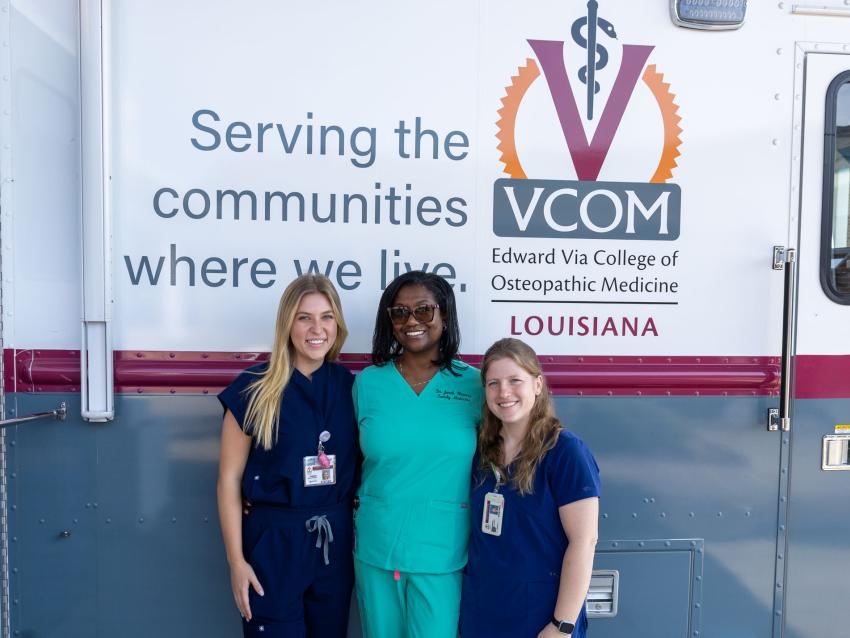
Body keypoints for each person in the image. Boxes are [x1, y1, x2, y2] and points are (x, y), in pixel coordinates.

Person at [216, 274, 359, 638]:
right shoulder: (252, 390)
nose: (317, 328)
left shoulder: (351, 388)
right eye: (304, 317)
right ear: (287, 324)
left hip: (334, 543)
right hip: (274, 544)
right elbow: (229, 480)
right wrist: (236, 562)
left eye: (327, 317)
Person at [353, 271, 482, 638]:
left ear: (445, 315)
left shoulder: (474, 384)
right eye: (399, 313)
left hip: (442, 552)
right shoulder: (368, 384)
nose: (411, 321)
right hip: (377, 548)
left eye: (424, 310)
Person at [460, 338, 600, 638]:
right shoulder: (481, 451)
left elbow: (584, 542)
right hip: (483, 612)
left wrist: (562, 626)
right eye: (493, 383)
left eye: (515, 380)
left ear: (537, 385)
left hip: (540, 617)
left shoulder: (565, 452)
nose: (504, 392)